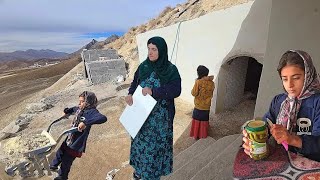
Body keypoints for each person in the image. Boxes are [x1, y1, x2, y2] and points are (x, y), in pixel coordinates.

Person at [242, 50, 320, 162]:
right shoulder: (279, 101)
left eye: (296, 78)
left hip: (312, 164)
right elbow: (267, 126)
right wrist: (252, 138)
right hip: (283, 159)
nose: (290, 85)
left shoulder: (317, 102)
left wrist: (292, 139)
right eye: (285, 79)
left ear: (308, 75)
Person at [125, 36, 181, 180]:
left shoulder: (170, 69)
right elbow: (135, 82)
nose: (150, 52)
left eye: (154, 49)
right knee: (139, 146)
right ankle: (138, 173)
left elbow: (176, 90)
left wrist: (154, 92)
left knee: (155, 150)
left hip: (159, 122)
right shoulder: (143, 66)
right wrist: (130, 94)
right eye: (149, 49)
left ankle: (152, 176)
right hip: (141, 118)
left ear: (161, 51)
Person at [50, 91, 107, 180]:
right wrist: (67, 111)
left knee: (66, 161)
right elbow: (73, 109)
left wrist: (85, 122)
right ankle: (53, 165)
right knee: (60, 151)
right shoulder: (80, 109)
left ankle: (62, 177)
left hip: (76, 144)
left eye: (82, 101)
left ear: (88, 102)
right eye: (79, 101)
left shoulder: (92, 112)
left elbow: (103, 118)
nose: (79, 103)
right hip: (70, 138)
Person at [190, 65, 214, 139]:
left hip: (198, 105)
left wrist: (196, 82)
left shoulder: (198, 82)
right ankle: (203, 135)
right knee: (204, 120)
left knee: (197, 120)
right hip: (207, 106)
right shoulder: (212, 83)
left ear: (199, 73)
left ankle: (196, 135)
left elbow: (194, 93)